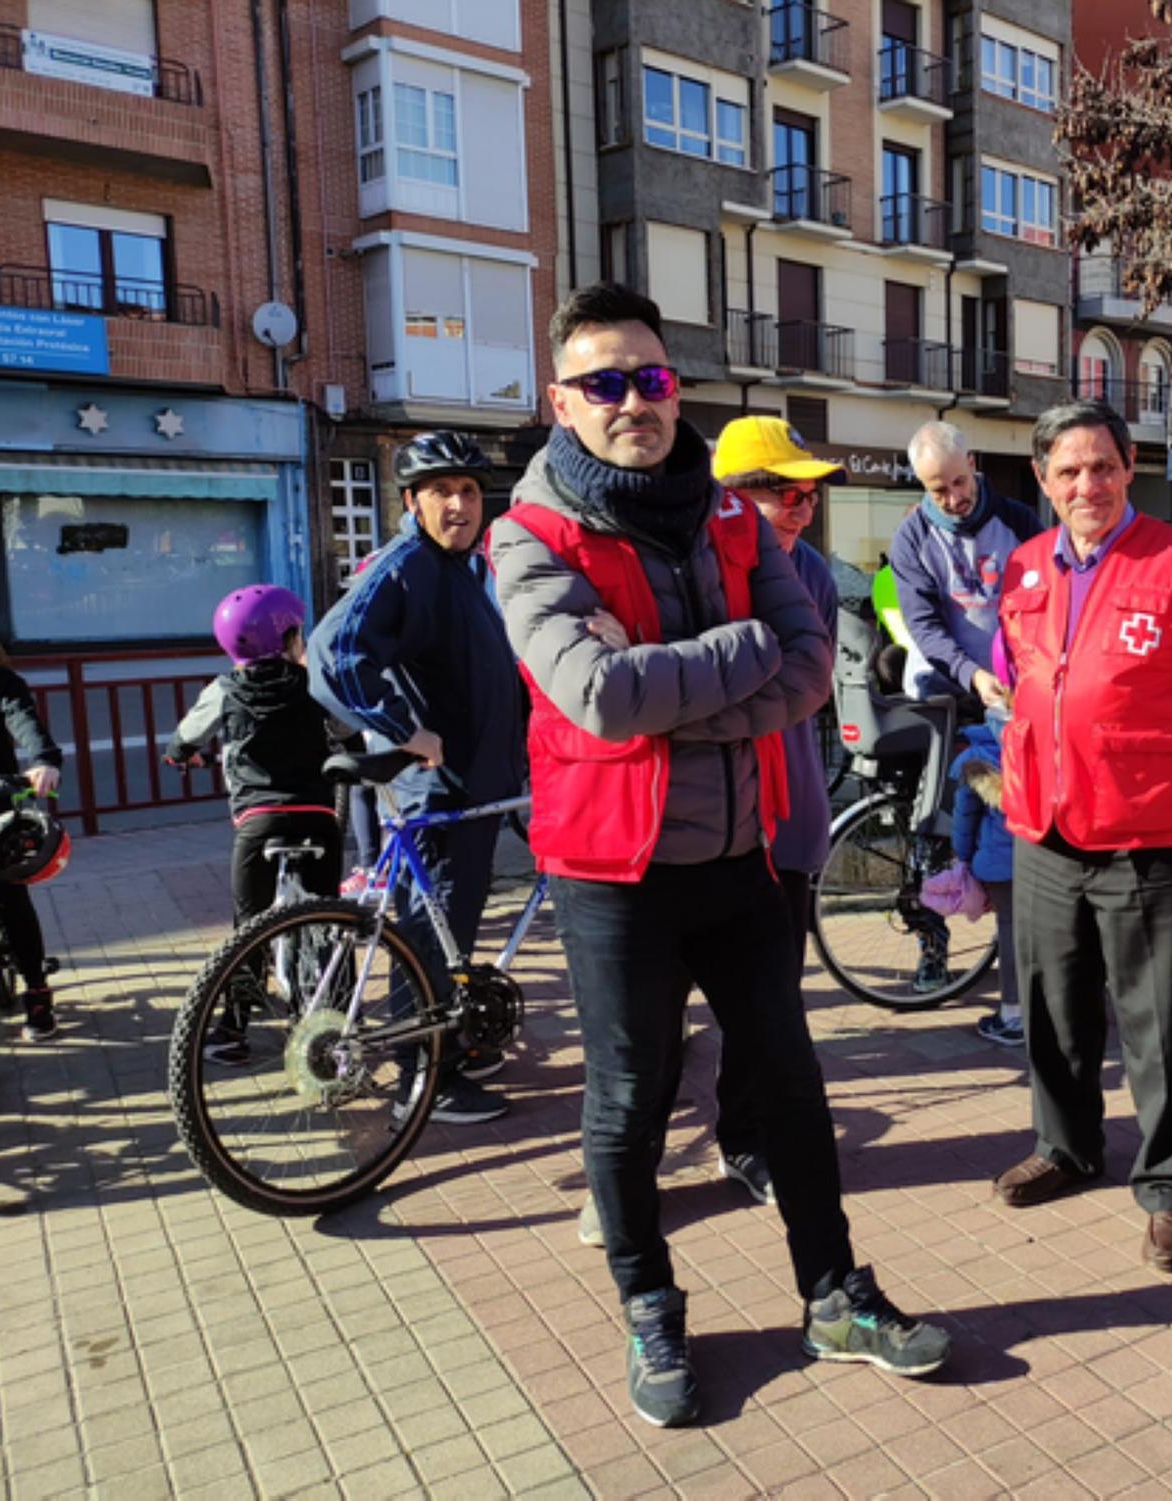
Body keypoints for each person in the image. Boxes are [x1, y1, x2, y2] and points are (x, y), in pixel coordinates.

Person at [488, 281, 948, 1428]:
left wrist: (681, 677)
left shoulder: (738, 521)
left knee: (789, 1084)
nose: (630, 401)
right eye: (602, 383)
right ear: (561, 399)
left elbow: (802, 671)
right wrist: (733, 654)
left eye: (646, 378)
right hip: (614, 874)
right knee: (631, 1099)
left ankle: (832, 1292)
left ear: (672, 384)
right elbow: (595, 694)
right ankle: (650, 1302)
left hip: (743, 859)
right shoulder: (527, 534)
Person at [990, 399, 1172, 1274]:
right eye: (1067, 471)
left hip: (1145, 836)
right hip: (1046, 828)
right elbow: (1014, 673)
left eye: (1102, 466)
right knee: (1051, 1005)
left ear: (1129, 463)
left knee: (1164, 1025)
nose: (1087, 484)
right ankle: (1066, 1145)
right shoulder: (1025, 567)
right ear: (1042, 480)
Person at [308, 431, 526, 1125]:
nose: (460, 504)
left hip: (477, 785)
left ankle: (451, 1044)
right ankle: (423, 1079)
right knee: (428, 937)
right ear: (411, 501)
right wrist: (402, 728)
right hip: (440, 792)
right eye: (442, 493)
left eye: (468, 491)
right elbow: (334, 651)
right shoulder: (407, 565)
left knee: (452, 931)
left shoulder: (457, 567)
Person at [707, 413, 847, 1202]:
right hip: (702, 817)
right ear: (731, 498)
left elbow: (808, 685)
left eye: (807, 495)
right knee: (656, 1021)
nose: (799, 508)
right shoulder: (696, 566)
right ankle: (622, 1173)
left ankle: (746, 1136)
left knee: (771, 997)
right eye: (781, 494)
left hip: (786, 814)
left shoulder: (815, 574)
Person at [166, 586, 345, 1064]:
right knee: (330, 919)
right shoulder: (313, 682)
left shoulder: (223, 690)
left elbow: (183, 739)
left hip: (259, 824)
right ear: (288, 636)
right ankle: (338, 1012)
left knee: (250, 926)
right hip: (317, 817)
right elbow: (347, 731)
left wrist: (182, 754)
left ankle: (233, 1030)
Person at [891, 421, 1043, 707]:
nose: (954, 498)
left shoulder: (1020, 522)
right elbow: (924, 625)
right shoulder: (910, 539)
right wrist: (972, 675)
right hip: (938, 691)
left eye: (959, 481)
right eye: (939, 491)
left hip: (1015, 687)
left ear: (971, 463)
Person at [0, 641, 64, 1041]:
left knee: (9, 891)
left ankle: (37, 987)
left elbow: (26, 724)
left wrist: (43, 761)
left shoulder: (3, 683)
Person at [948, 718, 1019, 1045]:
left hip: (998, 866)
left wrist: (963, 858)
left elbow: (965, 820)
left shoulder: (977, 756)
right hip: (1044, 859)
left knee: (1010, 934)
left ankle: (1012, 1013)